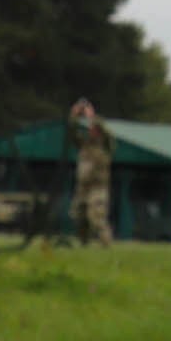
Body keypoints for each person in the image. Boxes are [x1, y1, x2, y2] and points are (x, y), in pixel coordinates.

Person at [68, 97, 115, 246]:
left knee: (96, 216)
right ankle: (84, 244)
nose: (92, 131)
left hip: (98, 187)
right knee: (79, 216)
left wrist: (92, 117)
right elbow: (71, 131)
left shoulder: (105, 147)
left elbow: (107, 133)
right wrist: (74, 115)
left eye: (95, 129)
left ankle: (106, 244)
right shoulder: (84, 145)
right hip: (83, 186)